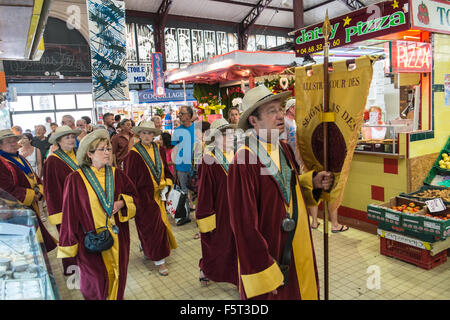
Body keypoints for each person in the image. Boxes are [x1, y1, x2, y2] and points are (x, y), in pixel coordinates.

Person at [227, 85, 334, 300]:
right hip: (274, 254)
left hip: (298, 243)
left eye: (280, 109)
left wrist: (312, 182)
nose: (280, 116)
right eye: (271, 111)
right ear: (253, 121)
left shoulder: (283, 148)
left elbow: (288, 185)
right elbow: (243, 224)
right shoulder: (243, 160)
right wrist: (262, 269)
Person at [57, 129, 138, 300]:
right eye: (102, 149)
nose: (108, 152)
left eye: (108, 149)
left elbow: (135, 197)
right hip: (90, 241)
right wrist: (69, 244)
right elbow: (69, 215)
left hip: (118, 238)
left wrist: (122, 202)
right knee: (94, 282)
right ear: (89, 154)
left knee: (118, 275)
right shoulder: (75, 179)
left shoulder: (118, 174)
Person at [124, 121, 177, 276]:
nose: (147, 136)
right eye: (144, 133)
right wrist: (133, 199)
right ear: (139, 135)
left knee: (158, 227)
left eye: (150, 133)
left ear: (154, 135)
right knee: (150, 228)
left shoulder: (159, 149)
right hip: (143, 197)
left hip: (159, 196)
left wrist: (167, 185)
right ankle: (159, 261)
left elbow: (166, 170)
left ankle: (150, 250)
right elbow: (129, 179)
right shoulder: (133, 154)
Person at [196, 118, 238, 288]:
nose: (229, 138)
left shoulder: (237, 154)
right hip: (219, 210)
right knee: (217, 245)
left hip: (236, 208)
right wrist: (206, 215)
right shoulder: (209, 159)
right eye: (224, 134)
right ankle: (206, 269)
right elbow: (204, 191)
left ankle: (237, 278)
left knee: (236, 244)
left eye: (231, 134)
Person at [0, 129, 57, 252]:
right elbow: (6, 189)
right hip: (15, 212)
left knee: (37, 245)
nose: (13, 143)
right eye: (8, 142)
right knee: (27, 248)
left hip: (31, 206)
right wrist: (33, 195)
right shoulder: (2, 162)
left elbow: (34, 177)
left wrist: (39, 191)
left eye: (14, 140)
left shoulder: (19, 157)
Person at [43, 125, 81, 275]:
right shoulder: (52, 161)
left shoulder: (79, 154)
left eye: (73, 136)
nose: (72, 140)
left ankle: (85, 266)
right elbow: (51, 190)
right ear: (58, 141)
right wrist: (59, 213)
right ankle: (72, 270)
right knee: (69, 237)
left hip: (84, 205)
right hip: (66, 207)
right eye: (67, 137)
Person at [171, 106, 196, 226]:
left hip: (196, 166)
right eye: (179, 113)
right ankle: (186, 215)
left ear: (189, 115)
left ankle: (201, 217)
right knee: (184, 192)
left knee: (199, 191)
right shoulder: (177, 131)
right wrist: (175, 169)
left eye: (182, 113)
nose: (179, 115)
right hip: (181, 166)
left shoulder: (197, 129)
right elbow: (174, 150)